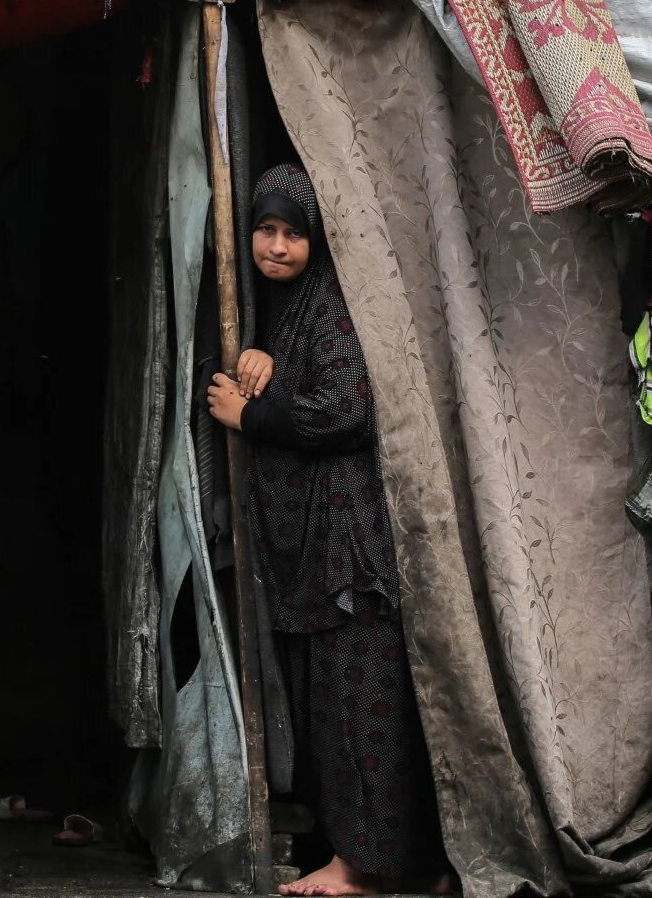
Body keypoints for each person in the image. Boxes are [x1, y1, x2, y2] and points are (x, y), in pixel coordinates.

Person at [207, 164, 448, 897]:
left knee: (360, 709)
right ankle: (394, 863)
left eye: (293, 233)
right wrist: (269, 372)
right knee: (342, 710)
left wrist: (253, 416)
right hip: (320, 557)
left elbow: (346, 410)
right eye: (266, 229)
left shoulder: (333, 302)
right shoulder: (287, 309)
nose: (276, 247)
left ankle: (364, 868)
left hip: (350, 553)